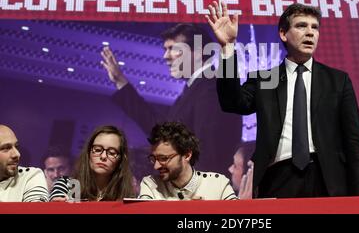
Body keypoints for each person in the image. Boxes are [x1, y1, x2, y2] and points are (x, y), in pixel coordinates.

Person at [206, 1, 359, 198]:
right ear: (283, 34)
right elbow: (232, 102)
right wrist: (227, 47)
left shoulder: (337, 80)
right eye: (301, 26)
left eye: (315, 27)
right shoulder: (267, 78)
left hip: (328, 179)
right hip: (278, 177)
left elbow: (355, 142)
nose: (310, 32)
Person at [101, 23, 242, 175]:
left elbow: (209, 156)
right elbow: (161, 131)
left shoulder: (211, 89)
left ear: (198, 52)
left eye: (173, 49)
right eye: (165, 49)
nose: (165, 56)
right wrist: (120, 81)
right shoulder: (197, 88)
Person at [138, 121, 237, 200]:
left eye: (163, 159)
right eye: (153, 159)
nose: (156, 166)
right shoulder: (151, 184)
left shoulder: (218, 184)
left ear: (187, 155)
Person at [49, 125, 135, 201]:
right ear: (88, 153)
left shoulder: (126, 196)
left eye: (112, 153)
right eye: (97, 150)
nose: (103, 156)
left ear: (120, 160)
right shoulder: (66, 185)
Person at [0, 124, 48, 202]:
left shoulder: (30, 176)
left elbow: (37, 211)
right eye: (6, 148)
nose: (17, 154)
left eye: (16, 146)